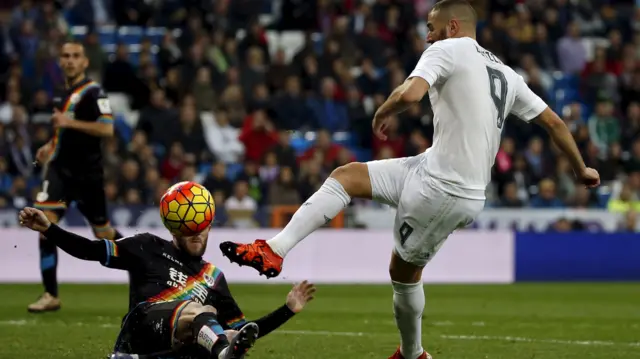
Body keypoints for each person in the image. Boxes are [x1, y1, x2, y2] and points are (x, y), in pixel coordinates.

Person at [219, 1, 601, 359]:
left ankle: (413, 353)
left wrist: (384, 110)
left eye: (432, 28)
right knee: (346, 177)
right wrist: (580, 168)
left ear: (453, 27)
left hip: (445, 189)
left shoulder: (447, 49)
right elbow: (553, 121)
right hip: (432, 169)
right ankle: (274, 248)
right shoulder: (505, 73)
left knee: (403, 272)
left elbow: (411, 92)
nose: (428, 36)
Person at [18, 206, 315, 359]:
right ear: (173, 229)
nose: (196, 236)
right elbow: (91, 250)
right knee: (201, 312)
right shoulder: (146, 245)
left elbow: (244, 333)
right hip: (140, 327)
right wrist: (50, 229)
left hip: (176, 347)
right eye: (188, 231)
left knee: (222, 329)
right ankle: (221, 352)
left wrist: (287, 310)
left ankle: (220, 351)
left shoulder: (214, 277)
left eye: (201, 229)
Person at [29, 40, 123, 313]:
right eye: (65, 56)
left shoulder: (94, 92)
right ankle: (50, 294)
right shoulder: (61, 93)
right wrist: (50, 146)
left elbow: (107, 129)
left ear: (84, 62)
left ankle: (143, 265)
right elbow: (63, 132)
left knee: (102, 232)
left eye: (75, 56)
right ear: (61, 61)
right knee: (44, 224)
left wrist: (69, 123)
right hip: (60, 171)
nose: (69, 60)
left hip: (88, 175)